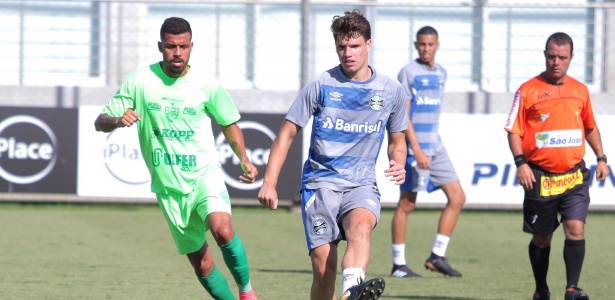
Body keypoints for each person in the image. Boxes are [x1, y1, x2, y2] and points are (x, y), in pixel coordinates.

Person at [94, 17, 259, 300]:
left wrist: (243, 158)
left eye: (183, 46)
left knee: (222, 230)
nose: (178, 53)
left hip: (203, 175)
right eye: (171, 47)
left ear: (191, 46)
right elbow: (100, 122)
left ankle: (247, 293)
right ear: (161, 47)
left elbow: (228, 122)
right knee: (203, 263)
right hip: (169, 188)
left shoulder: (207, 83)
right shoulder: (139, 82)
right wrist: (118, 121)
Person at [257, 9, 408, 300]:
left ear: (368, 45)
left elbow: (397, 139)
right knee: (324, 270)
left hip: (361, 184)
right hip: (320, 185)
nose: (347, 53)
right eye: (341, 46)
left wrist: (398, 161)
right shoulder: (320, 84)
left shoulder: (391, 90)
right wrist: (269, 182)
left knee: (360, 227)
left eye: (354, 46)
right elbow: (287, 133)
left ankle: (352, 292)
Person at [504, 32, 609, 300]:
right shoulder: (527, 90)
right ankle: (541, 289)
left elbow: (589, 126)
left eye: (562, 57)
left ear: (571, 58)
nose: (556, 62)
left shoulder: (580, 90)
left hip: (574, 175)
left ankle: (572, 289)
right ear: (545, 56)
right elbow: (513, 131)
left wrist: (601, 157)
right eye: (551, 56)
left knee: (575, 227)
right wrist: (521, 164)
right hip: (540, 177)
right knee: (542, 238)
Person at [389, 26, 466, 279]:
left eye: (430, 44)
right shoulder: (408, 72)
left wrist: (428, 148)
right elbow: (404, 115)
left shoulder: (442, 73)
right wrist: (416, 150)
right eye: (422, 44)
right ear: (416, 46)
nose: (426, 48)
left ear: (437, 45)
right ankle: (399, 264)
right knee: (407, 204)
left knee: (458, 197)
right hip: (415, 149)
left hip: (436, 146)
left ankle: (437, 256)